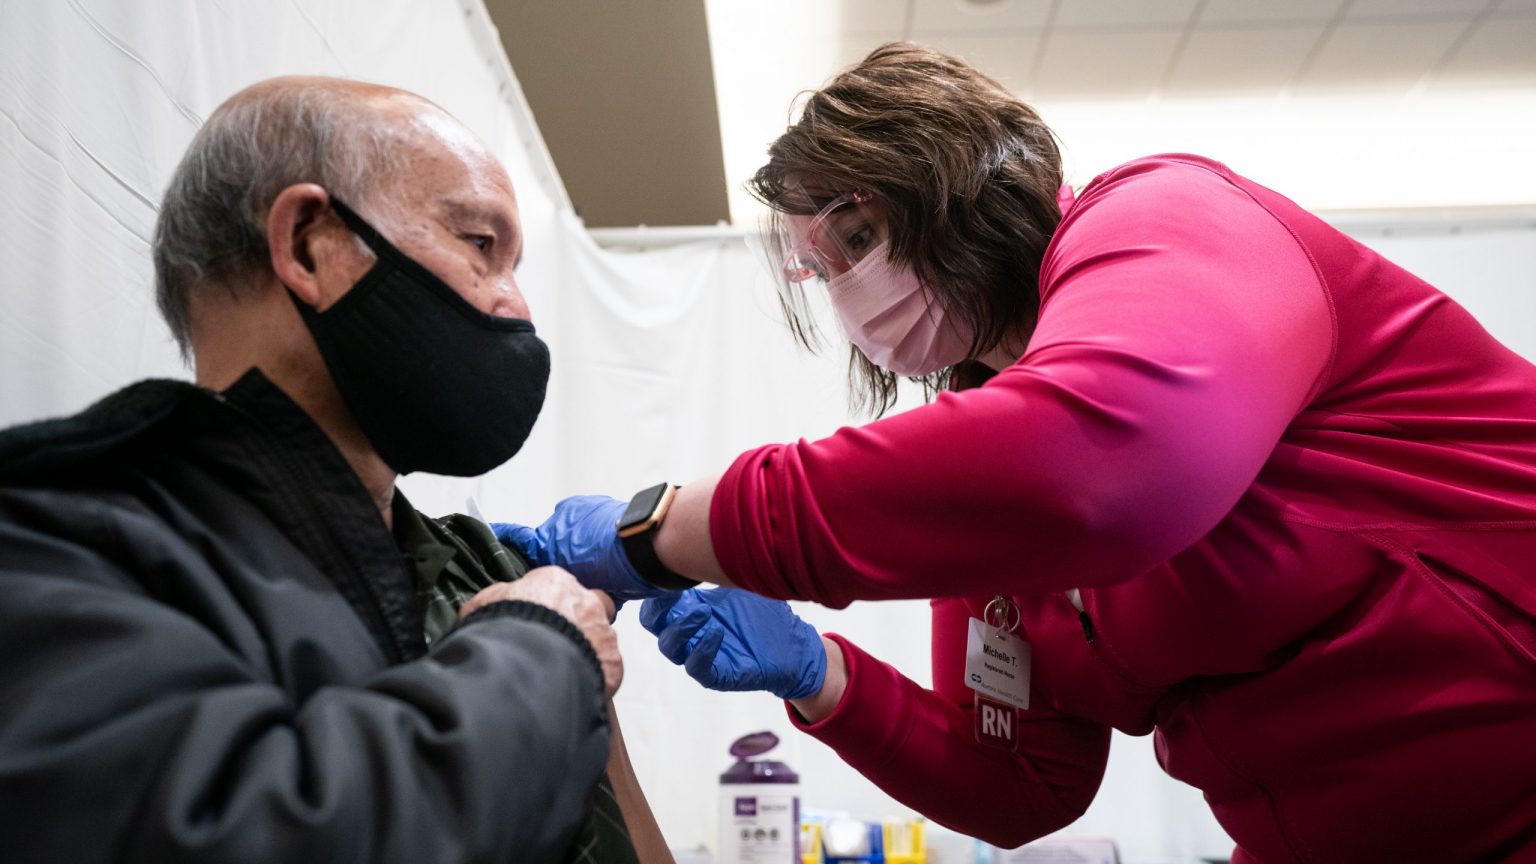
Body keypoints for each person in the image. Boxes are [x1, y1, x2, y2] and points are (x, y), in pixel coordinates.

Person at [497, 43, 1536, 863]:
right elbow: (1020, 783)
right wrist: (820, 677)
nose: (847, 288)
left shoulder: (1169, 218)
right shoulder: (997, 493)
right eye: (818, 272)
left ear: (957, 180)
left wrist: (667, 531)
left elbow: (1106, 469)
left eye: (854, 238)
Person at [0, 77, 669, 863]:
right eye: (480, 245)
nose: (515, 307)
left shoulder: (481, 568)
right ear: (311, 244)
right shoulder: (57, 545)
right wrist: (545, 658)